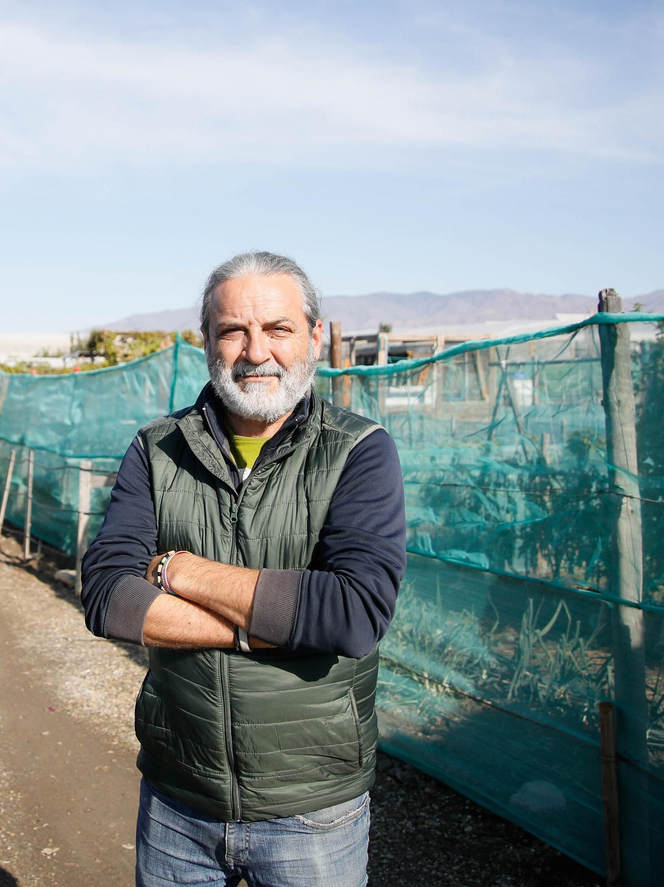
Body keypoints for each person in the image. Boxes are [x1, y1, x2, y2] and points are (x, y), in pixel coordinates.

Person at [81, 250, 407, 887]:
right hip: (179, 797)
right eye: (233, 330)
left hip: (312, 808)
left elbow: (353, 612)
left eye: (278, 329)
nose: (256, 351)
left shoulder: (360, 452)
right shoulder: (157, 449)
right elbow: (108, 597)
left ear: (315, 336)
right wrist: (266, 623)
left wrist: (179, 569)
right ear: (207, 341)